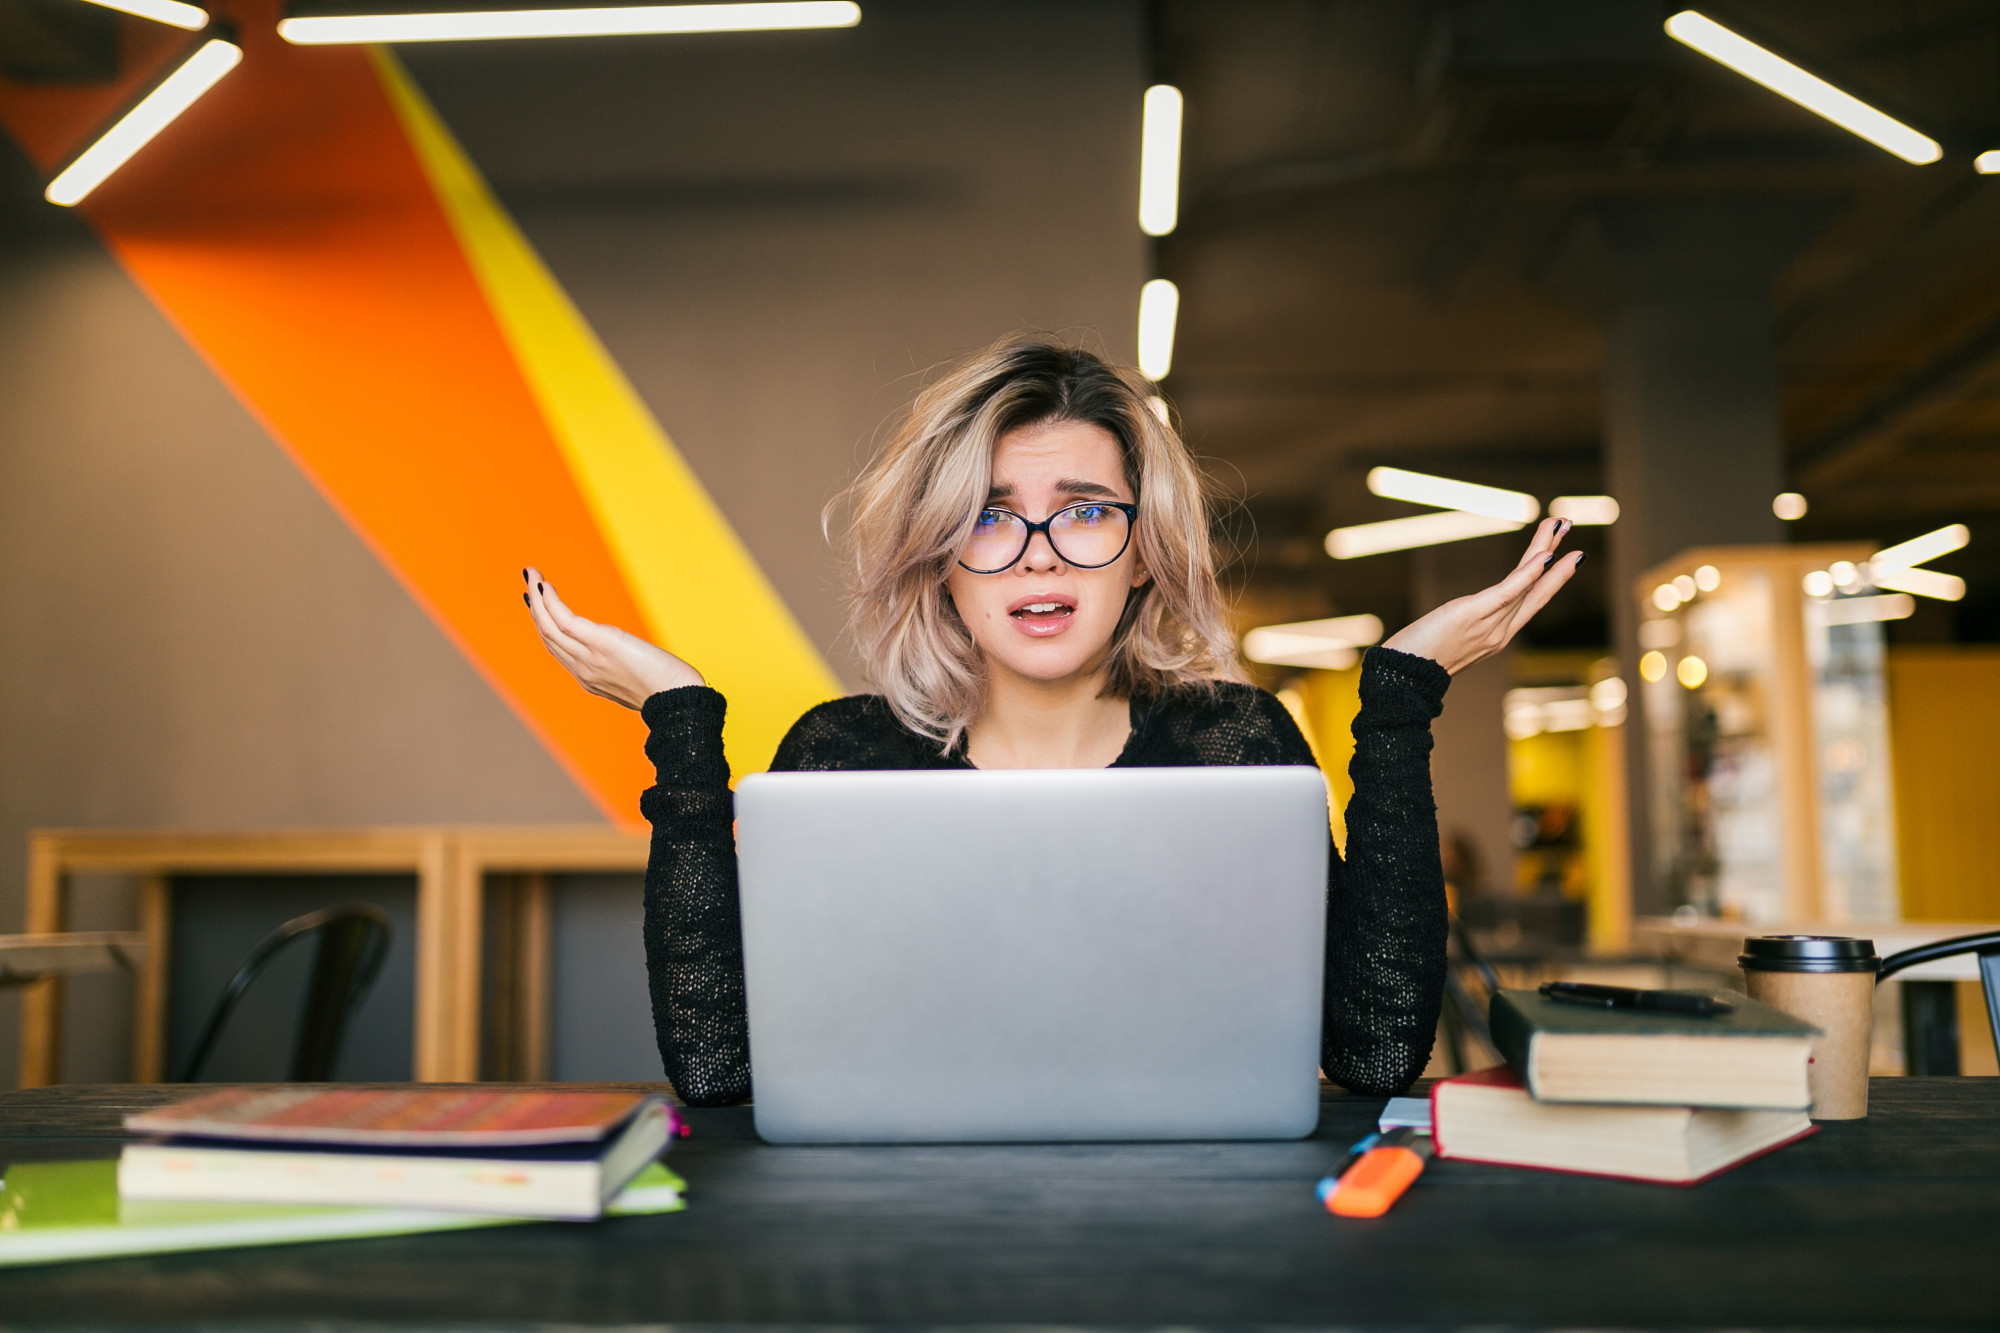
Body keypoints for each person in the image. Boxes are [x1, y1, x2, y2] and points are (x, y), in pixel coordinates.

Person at [523, 337, 1580, 1106]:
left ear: (1141, 552)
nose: (1036, 549)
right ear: (941, 559)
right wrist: (678, 725)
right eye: (989, 513)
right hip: (894, 1241)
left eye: (1083, 510)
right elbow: (715, 1070)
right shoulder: (839, 756)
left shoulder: (1237, 744)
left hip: (1197, 1231)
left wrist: (1397, 700)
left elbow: (1376, 1052)